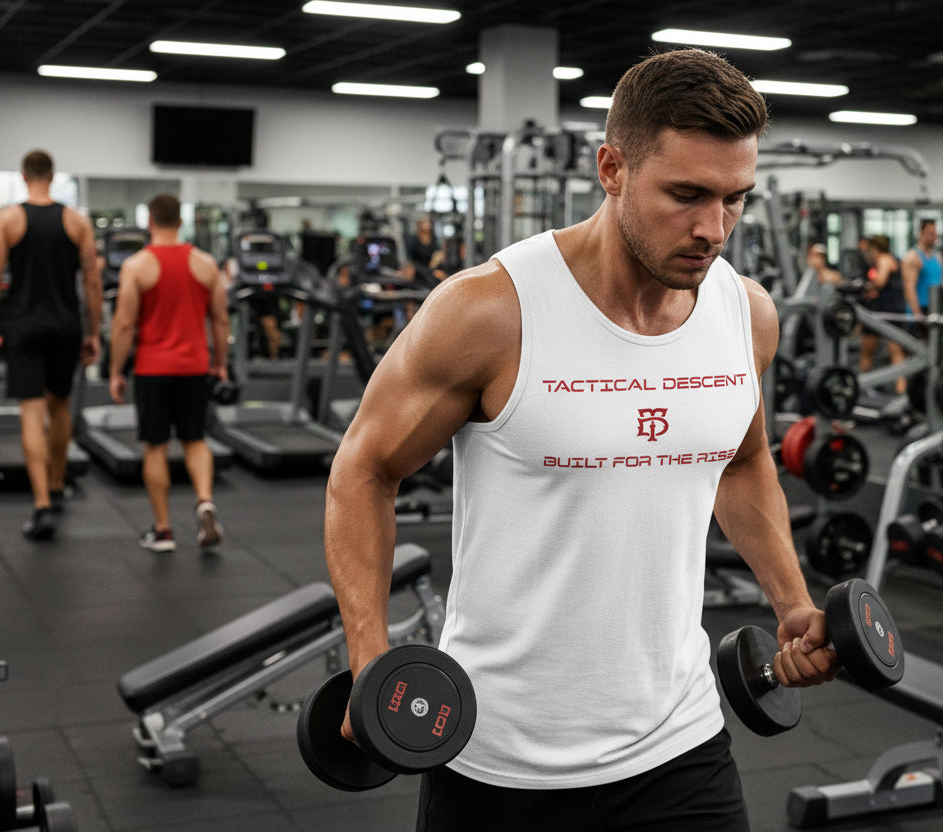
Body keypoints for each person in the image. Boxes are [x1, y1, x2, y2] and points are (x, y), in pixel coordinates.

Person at [324, 48, 837, 830]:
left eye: (736, 199)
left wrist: (792, 601)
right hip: (499, 758)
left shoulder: (746, 313)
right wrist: (370, 660)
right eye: (687, 195)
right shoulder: (491, 311)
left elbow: (741, 462)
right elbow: (362, 470)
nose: (713, 228)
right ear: (612, 169)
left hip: (683, 745)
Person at [0, 150, 102, 540]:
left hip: (25, 327)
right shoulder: (76, 220)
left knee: (32, 412)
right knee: (60, 405)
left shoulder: (9, 219)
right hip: (65, 326)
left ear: (24, 175)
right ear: (52, 175)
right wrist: (94, 332)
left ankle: (43, 503)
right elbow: (93, 283)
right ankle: (58, 482)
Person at [108, 194, 230, 552]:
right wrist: (220, 363)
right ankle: (204, 500)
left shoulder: (137, 265)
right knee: (195, 440)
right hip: (194, 366)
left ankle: (163, 531)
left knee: (155, 448)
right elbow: (221, 320)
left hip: (153, 368)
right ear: (181, 222)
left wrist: (115, 371)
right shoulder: (206, 264)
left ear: (149, 221)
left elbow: (124, 324)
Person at [858, 235, 907, 394]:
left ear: (874, 248)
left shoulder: (884, 259)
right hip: (893, 310)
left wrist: (868, 286)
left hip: (882, 312)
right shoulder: (892, 259)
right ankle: (901, 389)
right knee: (896, 351)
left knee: (867, 351)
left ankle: (865, 387)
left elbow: (880, 281)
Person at [900, 219, 943, 326]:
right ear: (921, 233)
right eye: (931, 233)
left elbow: (942, 283)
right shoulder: (912, 257)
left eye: (935, 233)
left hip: (936, 307)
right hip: (920, 307)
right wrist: (917, 314)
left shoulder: (939, 257)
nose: (934, 237)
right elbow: (909, 289)